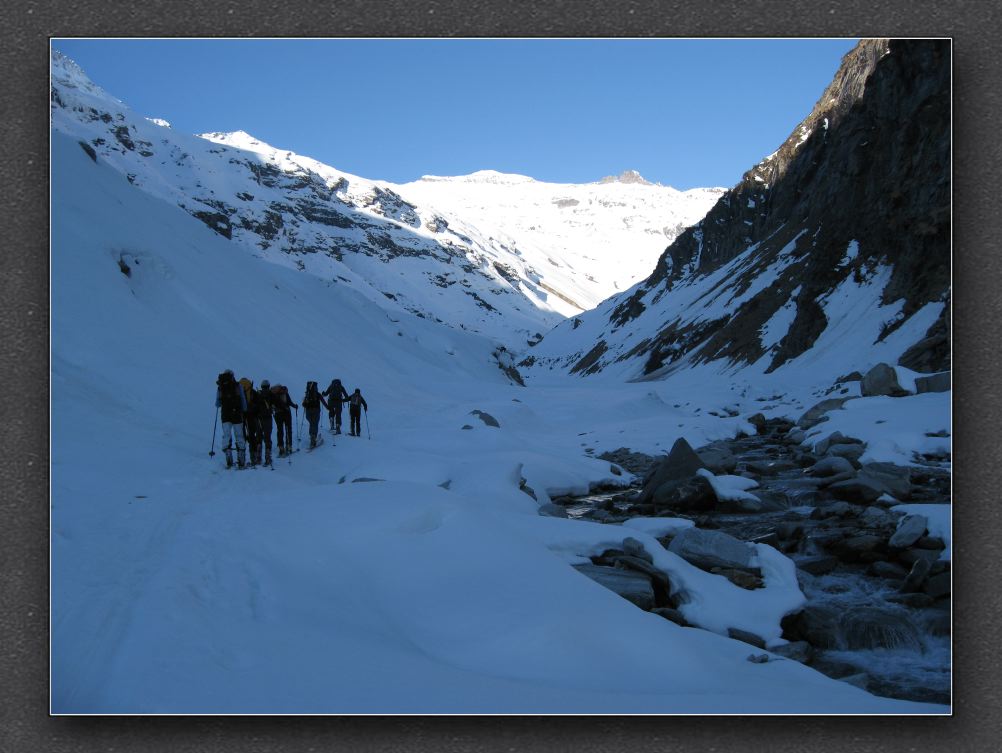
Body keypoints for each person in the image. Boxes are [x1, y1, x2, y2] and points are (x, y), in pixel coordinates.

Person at [215, 369, 247, 468]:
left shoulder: (220, 387)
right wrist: (244, 410)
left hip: (225, 415)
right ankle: (241, 459)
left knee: (226, 435)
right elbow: (243, 399)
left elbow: (217, 403)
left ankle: (228, 456)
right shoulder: (238, 386)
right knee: (239, 435)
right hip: (237, 413)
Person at [239, 377, 263, 467]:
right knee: (252, 435)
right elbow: (259, 404)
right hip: (253, 416)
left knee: (243, 436)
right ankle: (254, 457)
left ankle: (242, 458)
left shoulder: (239, 391)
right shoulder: (253, 392)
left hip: (242, 416)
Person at [270, 383, 298, 457]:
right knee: (288, 429)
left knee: (280, 430)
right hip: (287, 413)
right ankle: (289, 446)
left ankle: (281, 448)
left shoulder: (274, 395)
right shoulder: (285, 393)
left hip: (278, 414)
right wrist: (294, 406)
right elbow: (289, 402)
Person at [301, 381, 329, 448]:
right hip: (316, 411)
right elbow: (323, 401)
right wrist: (329, 408)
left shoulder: (307, 394)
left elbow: (303, 404)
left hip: (308, 411)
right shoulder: (317, 394)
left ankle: (312, 436)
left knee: (311, 423)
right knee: (315, 424)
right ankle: (313, 438)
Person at [258, 379, 275, 466]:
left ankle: (258, 457)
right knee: (267, 438)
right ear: (268, 386)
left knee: (259, 437)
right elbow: (276, 403)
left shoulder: (258, 394)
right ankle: (268, 458)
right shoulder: (271, 394)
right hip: (268, 418)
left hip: (259, 419)